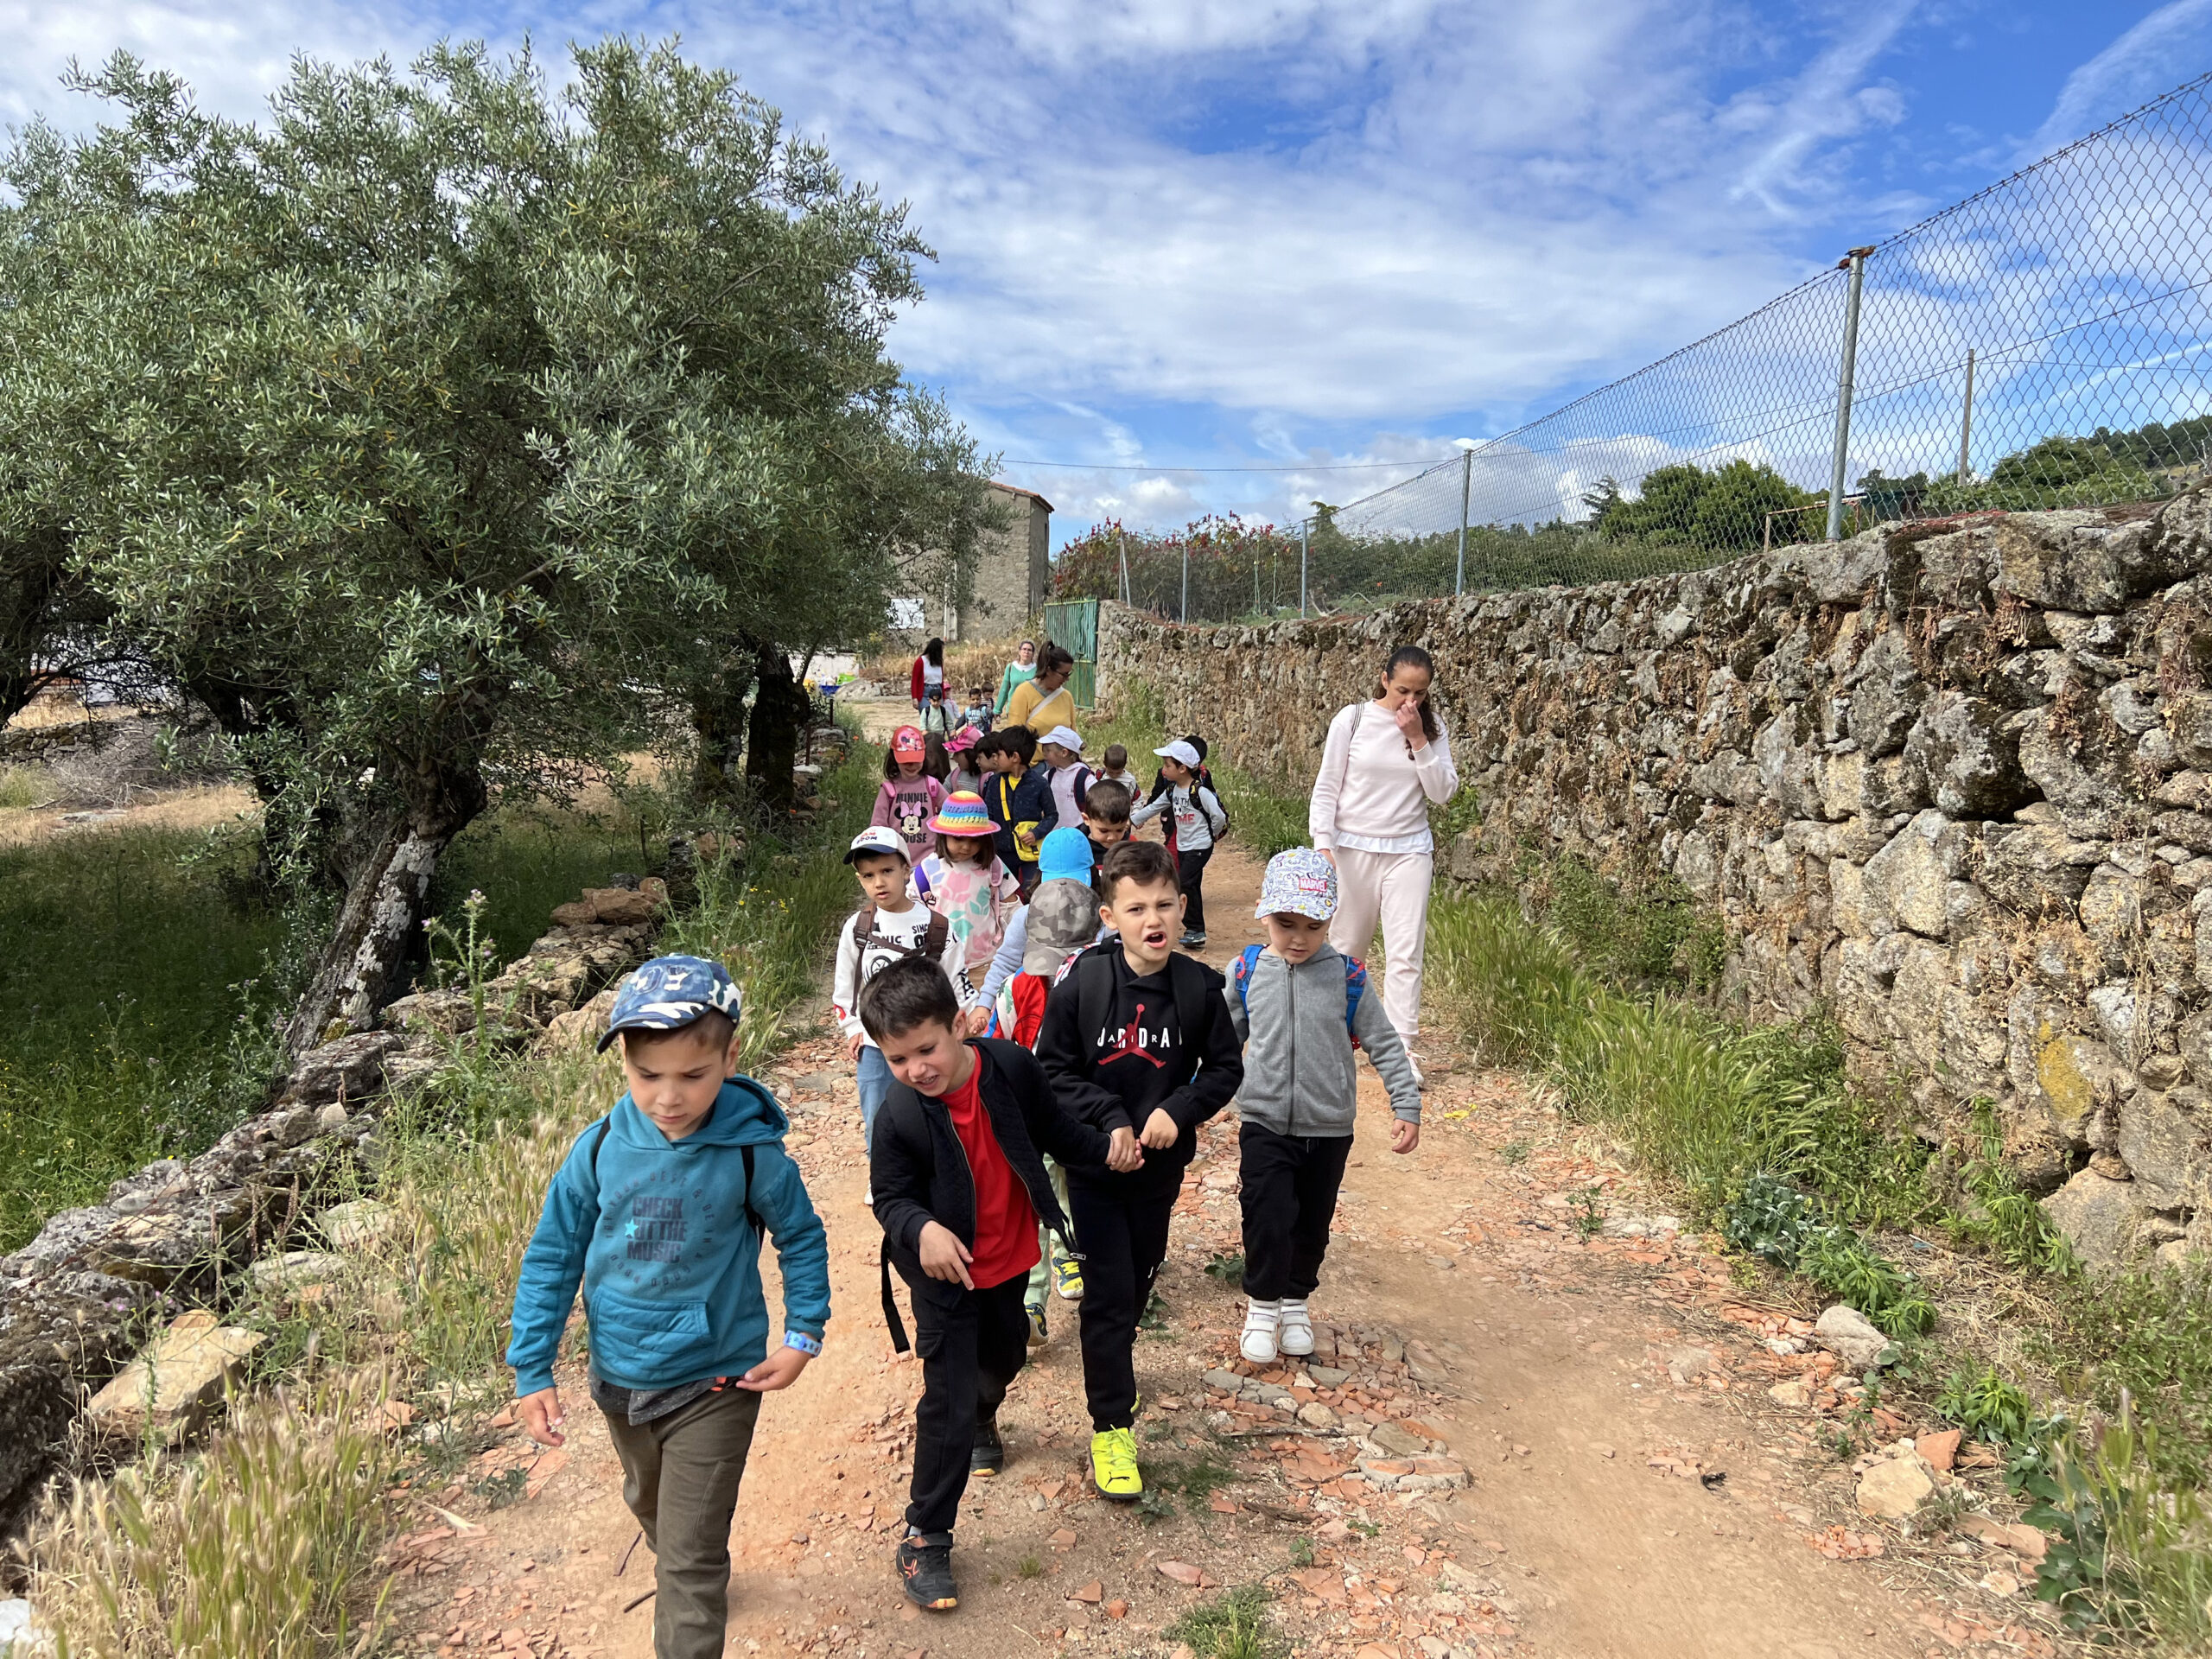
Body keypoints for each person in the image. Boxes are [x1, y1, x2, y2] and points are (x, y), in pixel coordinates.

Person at [507, 956, 830, 1659]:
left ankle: (693, 1573)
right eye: (648, 1075)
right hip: (619, 1377)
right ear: (623, 1058)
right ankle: (686, 1547)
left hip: (717, 1379)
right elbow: (553, 1257)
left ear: (730, 1056)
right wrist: (532, 1368)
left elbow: (801, 1239)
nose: (669, 1097)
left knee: (687, 1560)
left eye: (693, 1075)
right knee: (650, 1506)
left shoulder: (752, 1155)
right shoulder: (596, 1152)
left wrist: (803, 1333)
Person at [862, 957, 1127, 1611]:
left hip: (1009, 1261)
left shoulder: (1010, 1067)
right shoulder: (898, 1115)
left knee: (1006, 1356)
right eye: (897, 1059)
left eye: (926, 1049)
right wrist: (919, 1228)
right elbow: (889, 1197)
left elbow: (1056, 1132)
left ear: (960, 1025)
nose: (916, 1069)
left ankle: (985, 1414)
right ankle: (926, 1536)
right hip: (942, 1278)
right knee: (945, 1403)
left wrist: (1110, 1147)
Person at [1036, 840, 1243, 1502]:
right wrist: (1110, 1120)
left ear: (1182, 910)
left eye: (1163, 905)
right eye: (1135, 908)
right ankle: (1111, 1425)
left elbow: (1225, 1068)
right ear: (1109, 916)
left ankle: (1115, 1344)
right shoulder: (1084, 985)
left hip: (1159, 1169)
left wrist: (1178, 1110)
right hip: (1095, 1167)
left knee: (1135, 1285)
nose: (1151, 919)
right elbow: (1053, 1071)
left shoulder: (1198, 989)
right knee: (1105, 1295)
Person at [1225, 849, 1421, 1363]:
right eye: (1286, 923)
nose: (1298, 938)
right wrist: (1189, 1098)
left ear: (1330, 919)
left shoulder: (1348, 977)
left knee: (1312, 1221)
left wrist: (1406, 1103)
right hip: (1264, 1120)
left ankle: (1295, 1303)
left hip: (1330, 1127)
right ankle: (1262, 1307)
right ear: (1265, 914)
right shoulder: (1247, 971)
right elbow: (1223, 1045)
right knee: (1266, 1214)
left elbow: (1382, 1041)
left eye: (1313, 926)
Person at [1308, 644, 1460, 1077]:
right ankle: (1331, 1036)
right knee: (1346, 948)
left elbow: (1442, 792)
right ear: (1383, 680)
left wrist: (1417, 739)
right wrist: (1324, 844)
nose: (1409, 701)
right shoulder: (1352, 719)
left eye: (1420, 693)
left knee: (1406, 951)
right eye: (1401, 691)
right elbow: (1327, 787)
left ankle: (1401, 1051)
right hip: (1351, 850)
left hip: (1409, 851)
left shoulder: (1432, 729)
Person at [984, 874, 1103, 1341]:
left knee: (1071, 1189)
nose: (1053, 972)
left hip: (1081, 1113)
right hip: (1029, 1112)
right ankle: (1031, 1301)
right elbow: (995, 1046)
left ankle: (1070, 1254)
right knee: (1032, 1194)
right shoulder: (1019, 988)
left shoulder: (1103, 988)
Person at [833, 827, 964, 1154]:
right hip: (877, 1045)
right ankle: (884, 1175)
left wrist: (963, 1027)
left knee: (936, 1107)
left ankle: (939, 1170)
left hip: (926, 1044)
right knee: (878, 1112)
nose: (879, 882)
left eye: (887, 871)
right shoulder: (858, 928)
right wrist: (853, 1028)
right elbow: (845, 986)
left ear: (907, 869)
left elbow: (955, 981)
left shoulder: (937, 925)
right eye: (868, 875)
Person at [916, 792, 1023, 1000]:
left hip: (985, 964)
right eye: (958, 839)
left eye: (974, 840)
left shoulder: (993, 865)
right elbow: (911, 911)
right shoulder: (926, 871)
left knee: (983, 1016)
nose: (966, 846)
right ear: (943, 835)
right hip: (940, 965)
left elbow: (1012, 908)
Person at [1130, 740, 1227, 950]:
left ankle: (1193, 927)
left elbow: (1218, 816)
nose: (1163, 770)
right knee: (1192, 886)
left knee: (1182, 883)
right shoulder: (1173, 790)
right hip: (1184, 846)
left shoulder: (1200, 792)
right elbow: (1156, 806)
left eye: (1167, 766)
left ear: (1182, 768)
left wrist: (1213, 834)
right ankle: (1195, 931)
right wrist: (1134, 819)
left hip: (1200, 846)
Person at [976, 726, 1054, 892]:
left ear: (1015, 757)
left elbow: (1052, 815)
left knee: (1032, 891)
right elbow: (987, 817)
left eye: (999, 754)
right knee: (1003, 892)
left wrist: (1036, 833)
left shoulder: (1039, 784)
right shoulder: (994, 783)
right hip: (1002, 852)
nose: (995, 759)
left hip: (1030, 853)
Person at [872, 726, 949, 865]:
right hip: (897, 862)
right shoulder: (888, 790)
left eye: (916, 760)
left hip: (930, 861)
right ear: (894, 758)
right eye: (906, 761)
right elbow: (878, 826)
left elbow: (952, 811)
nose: (911, 765)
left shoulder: (932, 785)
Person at [1001, 643, 1077, 736]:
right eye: (1064, 674)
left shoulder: (1066, 697)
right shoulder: (1023, 693)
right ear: (1049, 670)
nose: (1067, 679)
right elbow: (1014, 737)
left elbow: (1073, 735)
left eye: (1068, 674)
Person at [1036, 725, 1094, 835]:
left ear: (1064, 752)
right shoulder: (1049, 775)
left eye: (1048, 750)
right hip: (1054, 834)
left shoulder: (1084, 777)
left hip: (1079, 833)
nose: (1044, 754)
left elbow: (1098, 801)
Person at [1079, 778, 1132, 866]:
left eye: (1119, 830)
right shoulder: (1078, 849)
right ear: (1086, 819)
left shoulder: (1130, 847)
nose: (1112, 837)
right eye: (1104, 831)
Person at [994, 639, 1039, 717]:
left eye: (1029, 650)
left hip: (1032, 711)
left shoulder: (1037, 669)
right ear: (1019, 652)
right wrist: (997, 710)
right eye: (1024, 649)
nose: (1026, 652)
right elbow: (1004, 689)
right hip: (1013, 710)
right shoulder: (1011, 667)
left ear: (1033, 653)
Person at [944, 725, 985, 798]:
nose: (954, 758)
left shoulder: (987, 778)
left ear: (971, 755)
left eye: (958, 753)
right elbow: (943, 798)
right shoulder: (954, 776)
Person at [911, 636, 946, 713]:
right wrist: (914, 698)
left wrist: (944, 697)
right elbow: (914, 681)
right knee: (926, 715)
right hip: (925, 692)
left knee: (938, 718)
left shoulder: (939, 662)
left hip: (938, 691)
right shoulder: (920, 661)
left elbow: (941, 681)